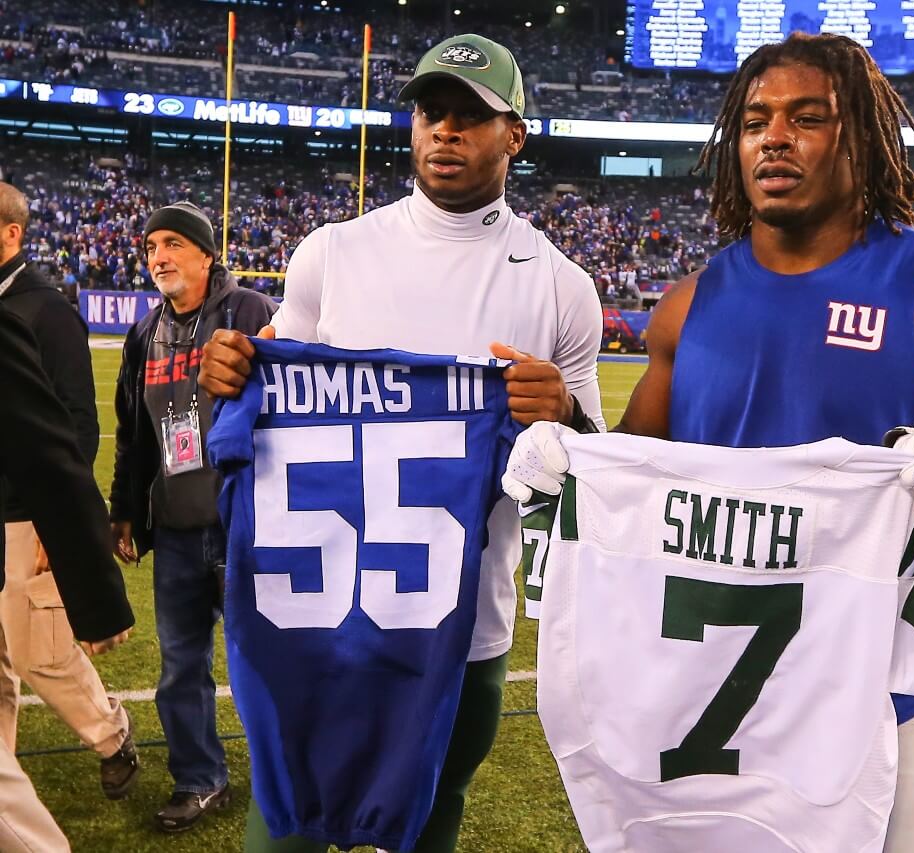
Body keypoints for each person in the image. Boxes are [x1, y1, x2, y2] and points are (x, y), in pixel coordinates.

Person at [502, 32, 914, 853]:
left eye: (808, 117)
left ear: (861, 138)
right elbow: (630, 473)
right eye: (756, 120)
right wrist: (568, 442)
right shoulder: (688, 303)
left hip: (868, 706)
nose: (774, 136)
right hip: (690, 704)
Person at [197, 34, 604, 853]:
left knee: (430, 821)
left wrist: (561, 414)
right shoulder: (333, 253)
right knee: (284, 827)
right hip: (315, 611)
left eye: (471, 116)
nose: (444, 132)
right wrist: (232, 370)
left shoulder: (560, 284)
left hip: (461, 628)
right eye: (430, 112)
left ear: (514, 134)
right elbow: (265, 394)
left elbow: (595, 482)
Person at [108, 202, 277, 832]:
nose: (159, 256)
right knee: (181, 664)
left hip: (248, 526)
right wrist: (125, 510)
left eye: (174, 243)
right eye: (151, 246)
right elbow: (132, 434)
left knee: (269, 657)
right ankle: (201, 780)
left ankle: (290, 773)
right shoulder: (144, 332)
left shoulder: (252, 313)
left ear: (206, 254)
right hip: (178, 527)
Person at [0, 183, 139, 799]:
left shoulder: (45, 308)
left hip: (25, 514)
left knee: (42, 655)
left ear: (12, 233)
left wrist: (63, 527)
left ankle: (113, 734)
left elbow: (77, 426)